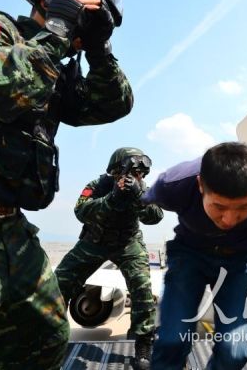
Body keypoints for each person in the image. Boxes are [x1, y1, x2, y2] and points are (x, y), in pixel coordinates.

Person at [0, 0, 132, 368]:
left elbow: (112, 105)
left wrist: (99, 51)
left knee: (46, 337)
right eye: (86, 7)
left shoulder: (53, 62)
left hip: (11, 228)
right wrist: (57, 29)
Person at [143, 142, 247, 370]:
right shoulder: (172, 186)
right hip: (188, 255)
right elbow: (142, 202)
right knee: (172, 340)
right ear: (201, 185)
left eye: (243, 207)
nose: (230, 220)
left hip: (239, 261)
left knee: (235, 350)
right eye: (219, 207)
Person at [55, 148, 162, 369]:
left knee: (142, 289)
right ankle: (53, 338)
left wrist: (139, 197)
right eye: (132, 172)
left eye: (141, 174)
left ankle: (143, 345)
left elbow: (156, 217)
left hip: (127, 243)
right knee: (58, 284)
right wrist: (112, 198)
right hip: (93, 241)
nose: (137, 178)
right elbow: (81, 212)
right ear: (115, 170)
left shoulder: (142, 189)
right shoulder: (98, 186)